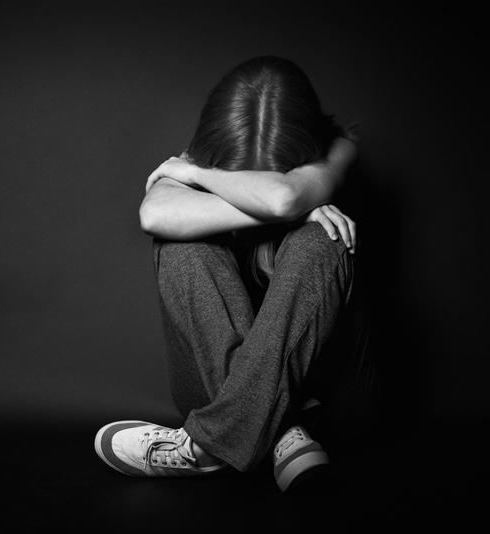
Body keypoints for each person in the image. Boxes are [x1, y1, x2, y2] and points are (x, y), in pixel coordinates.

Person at [94, 56, 370, 491]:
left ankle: (206, 448)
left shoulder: (338, 148)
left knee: (323, 239)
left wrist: (197, 176)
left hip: (324, 394)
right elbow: (155, 215)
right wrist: (298, 207)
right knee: (181, 242)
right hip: (214, 388)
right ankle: (279, 434)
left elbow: (281, 201)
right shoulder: (200, 161)